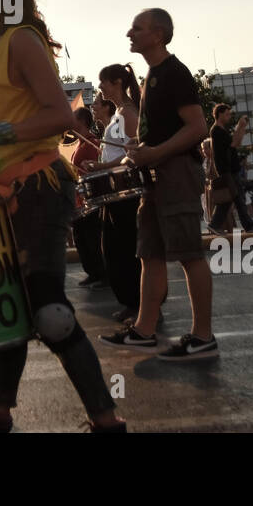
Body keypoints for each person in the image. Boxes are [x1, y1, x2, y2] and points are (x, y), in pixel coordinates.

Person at [0, 0, 122, 432]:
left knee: (49, 311)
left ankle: (108, 422)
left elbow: (59, 116)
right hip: (11, 189)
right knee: (11, 306)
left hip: (39, 189)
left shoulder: (21, 40)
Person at [100, 8, 217, 362]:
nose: (129, 33)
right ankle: (144, 331)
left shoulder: (175, 73)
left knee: (189, 256)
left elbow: (197, 128)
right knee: (149, 253)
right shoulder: (153, 74)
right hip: (156, 176)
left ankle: (203, 337)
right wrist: (139, 150)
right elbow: (159, 132)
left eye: (137, 28)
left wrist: (156, 153)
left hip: (176, 173)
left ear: (158, 35)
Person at [91, 63, 143, 324]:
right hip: (113, 191)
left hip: (125, 192)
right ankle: (130, 301)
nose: (100, 87)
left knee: (123, 249)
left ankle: (137, 303)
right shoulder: (119, 113)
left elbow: (132, 153)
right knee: (113, 249)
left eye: (104, 82)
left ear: (117, 83)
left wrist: (102, 166)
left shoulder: (129, 113)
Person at [206, 104, 253, 234]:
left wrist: (242, 127)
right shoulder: (217, 131)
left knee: (231, 198)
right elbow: (234, 143)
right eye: (227, 114)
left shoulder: (221, 131)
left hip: (229, 170)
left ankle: (215, 224)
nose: (229, 116)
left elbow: (237, 142)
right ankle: (248, 225)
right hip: (226, 171)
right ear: (219, 115)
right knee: (237, 197)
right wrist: (241, 126)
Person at [69, 106, 106, 288]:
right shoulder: (79, 144)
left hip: (89, 199)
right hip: (78, 198)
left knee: (91, 237)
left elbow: (94, 169)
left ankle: (100, 273)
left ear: (83, 121)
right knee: (81, 238)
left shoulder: (92, 143)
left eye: (73, 119)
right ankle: (92, 272)